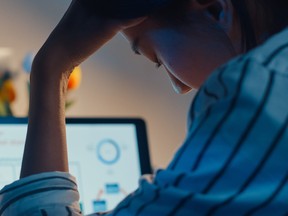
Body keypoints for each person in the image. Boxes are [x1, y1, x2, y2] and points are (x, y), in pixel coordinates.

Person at [0, 0, 288, 215]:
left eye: (157, 59)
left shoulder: (254, 91)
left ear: (217, 11)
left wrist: (52, 66)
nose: (180, 87)